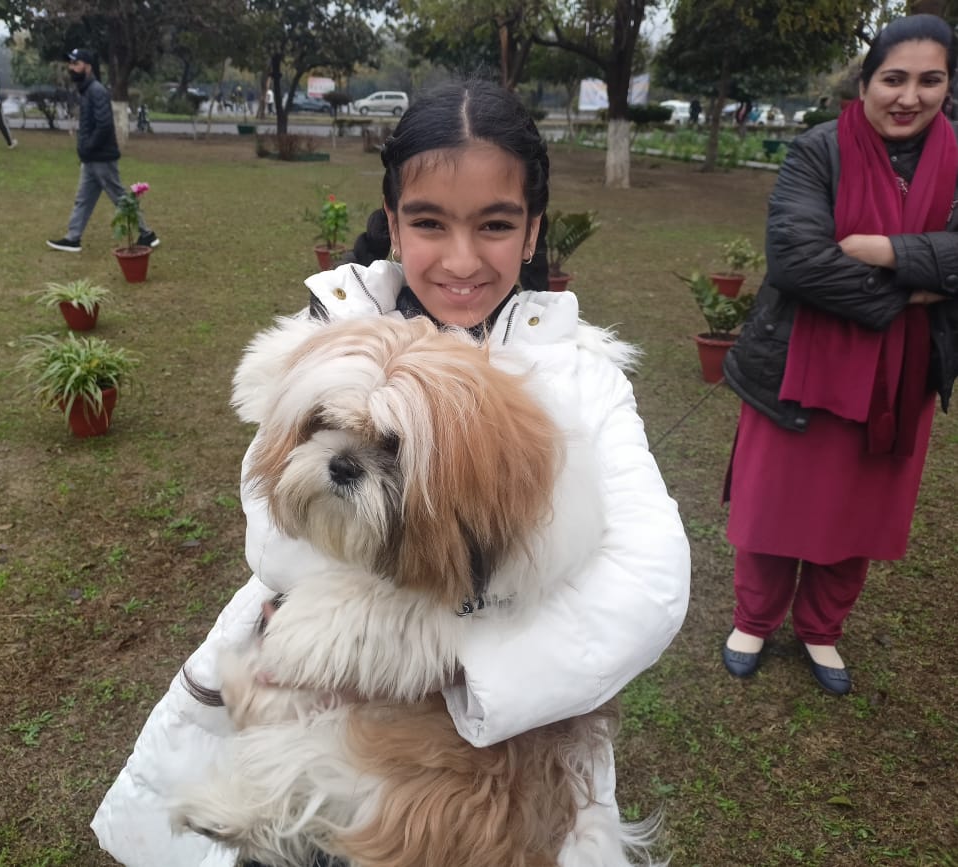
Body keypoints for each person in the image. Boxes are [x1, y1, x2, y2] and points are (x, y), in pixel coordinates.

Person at [90, 78, 690, 865]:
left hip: (481, 751)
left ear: (535, 231)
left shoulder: (584, 375)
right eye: (430, 222)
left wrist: (458, 672)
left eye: (496, 225)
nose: (462, 258)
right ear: (394, 223)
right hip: (294, 712)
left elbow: (650, 582)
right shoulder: (332, 332)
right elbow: (275, 529)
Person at [720, 14, 958, 696]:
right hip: (796, 365)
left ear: (948, 85)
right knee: (772, 504)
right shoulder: (817, 150)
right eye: (893, 79)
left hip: (903, 377)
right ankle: (754, 618)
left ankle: (822, 626)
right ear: (866, 81)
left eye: (929, 80)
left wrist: (882, 250)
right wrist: (917, 292)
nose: (908, 96)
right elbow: (797, 261)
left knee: (861, 512)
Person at [47, 49, 158, 253]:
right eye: (71, 64)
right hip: (91, 159)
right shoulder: (86, 90)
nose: (71, 68)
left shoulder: (96, 91)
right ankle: (73, 238)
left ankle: (147, 234)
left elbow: (105, 125)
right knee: (83, 198)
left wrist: (88, 147)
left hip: (101, 158)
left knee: (119, 197)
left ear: (87, 67)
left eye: (76, 64)